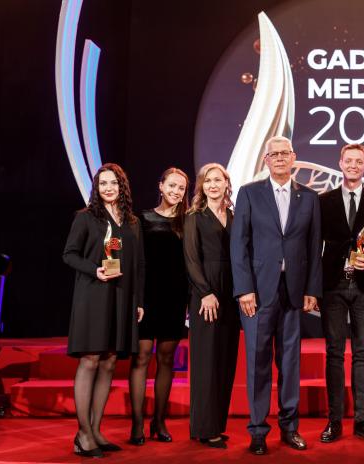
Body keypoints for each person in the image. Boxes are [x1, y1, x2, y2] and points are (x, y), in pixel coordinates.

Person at [230, 135, 322, 455]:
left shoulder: (309, 197)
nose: (280, 158)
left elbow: (314, 247)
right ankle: (258, 430)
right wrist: (244, 289)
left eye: (285, 153)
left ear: (293, 157)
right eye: (274, 154)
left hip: (293, 291)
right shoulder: (249, 193)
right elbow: (238, 245)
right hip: (257, 292)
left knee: (290, 362)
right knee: (258, 362)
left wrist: (312, 289)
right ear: (266, 160)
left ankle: (289, 427)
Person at [63, 163, 144, 457]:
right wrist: (94, 269)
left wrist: (139, 301)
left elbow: (139, 265)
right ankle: (83, 435)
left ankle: (96, 430)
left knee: (110, 361)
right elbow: (69, 254)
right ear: (96, 188)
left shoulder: (132, 222)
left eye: (113, 183)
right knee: (90, 359)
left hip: (122, 298)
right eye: (103, 183)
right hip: (93, 295)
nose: (108, 188)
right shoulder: (86, 218)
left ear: (122, 187)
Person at [318, 143, 364, 443]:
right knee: (334, 354)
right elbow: (314, 245)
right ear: (340, 163)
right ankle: (334, 421)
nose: (352, 165)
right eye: (348, 160)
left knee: (363, 354)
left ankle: (363, 420)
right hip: (332, 287)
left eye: (358, 161)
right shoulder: (323, 201)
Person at [128, 167, 189, 445]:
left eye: (181, 188)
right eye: (172, 186)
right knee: (141, 357)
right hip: (146, 296)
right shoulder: (141, 219)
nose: (176, 192)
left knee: (166, 359)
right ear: (161, 186)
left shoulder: (188, 221)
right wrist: (136, 298)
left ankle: (159, 421)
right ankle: (137, 423)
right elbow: (134, 260)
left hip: (175, 297)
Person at [184, 163, 240, 449]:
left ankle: (217, 423)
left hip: (231, 294)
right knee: (206, 361)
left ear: (226, 183)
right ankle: (205, 428)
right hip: (205, 295)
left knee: (225, 360)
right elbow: (191, 259)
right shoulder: (194, 216)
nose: (213, 185)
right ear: (201, 186)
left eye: (218, 180)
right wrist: (205, 292)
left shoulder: (233, 215)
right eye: (208, 181)